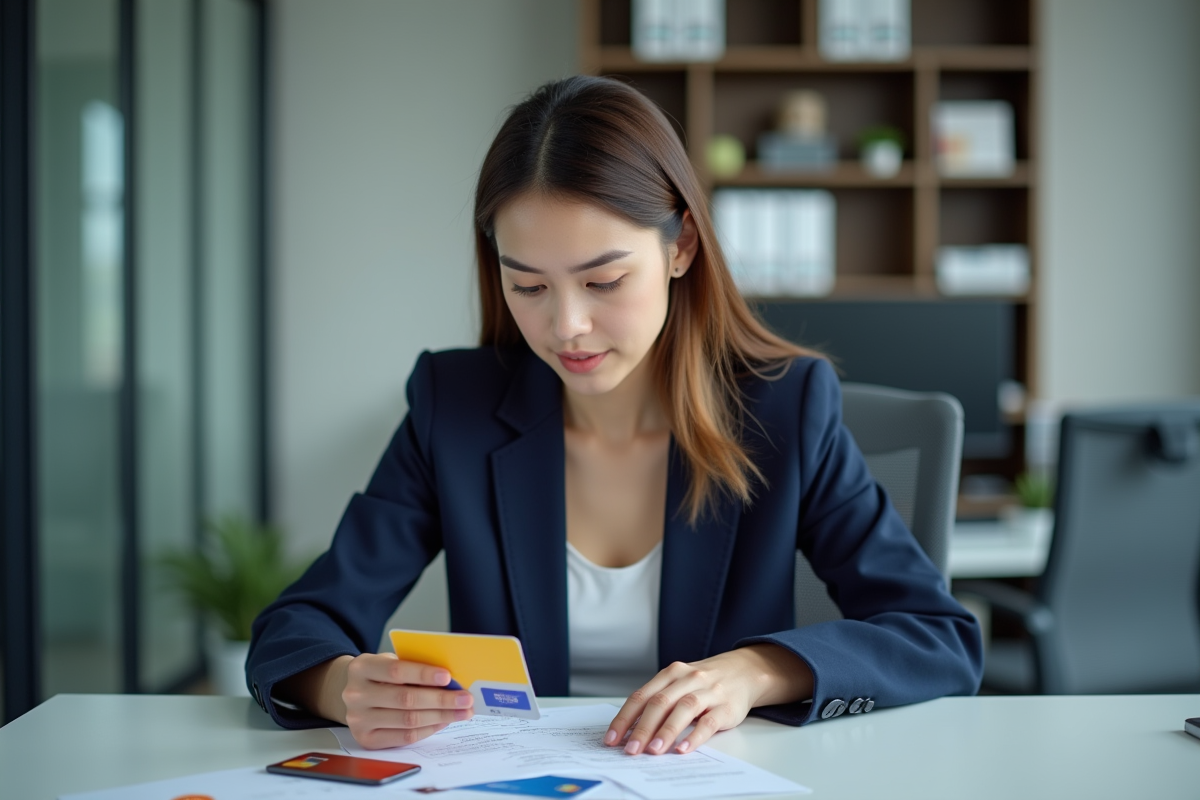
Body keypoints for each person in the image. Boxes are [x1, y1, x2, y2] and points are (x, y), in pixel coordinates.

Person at [247, 75, 982, 756]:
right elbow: (294, 631)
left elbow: (937, 638)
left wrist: (755, 673)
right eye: (528, 286)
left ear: (681, 246)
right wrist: (340, 686)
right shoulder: (455, 407)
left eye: (603, 280)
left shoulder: (786, 407)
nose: (566, 325)